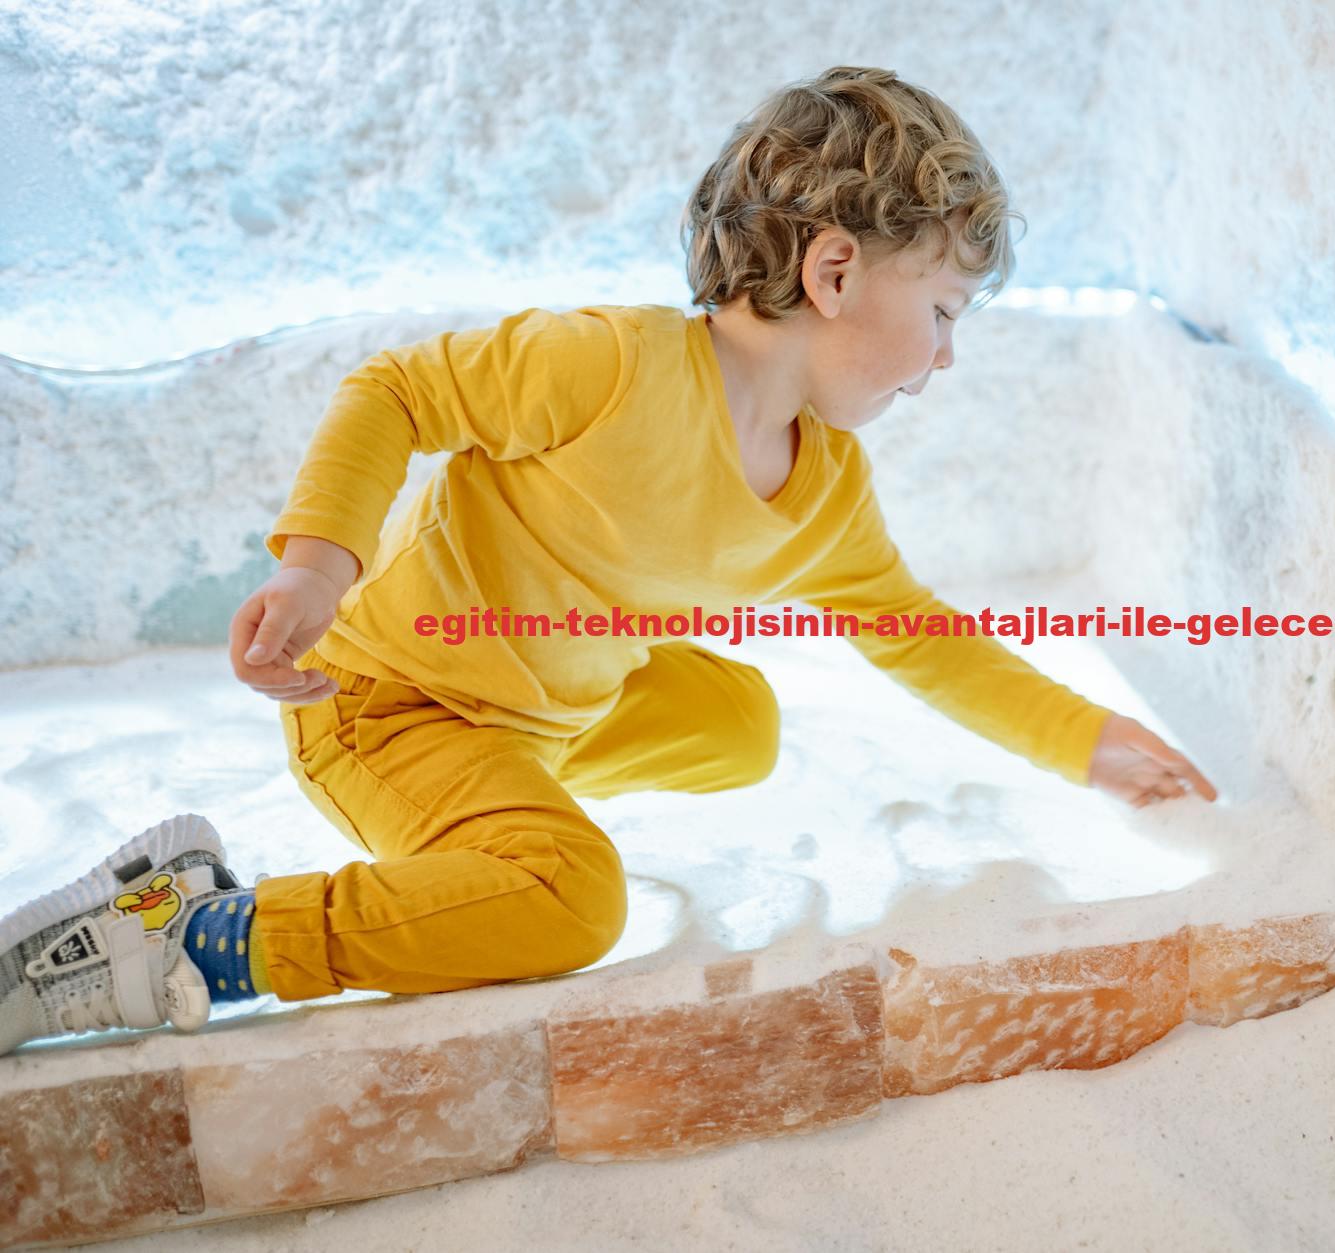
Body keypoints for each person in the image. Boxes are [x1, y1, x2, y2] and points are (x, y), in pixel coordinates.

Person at [1, 66, 1215, 1056]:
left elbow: (911, 632)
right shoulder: (612, 366)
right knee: (575, 897)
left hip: (537, 707)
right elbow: (397, 391)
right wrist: (319, 567)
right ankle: (195, 933)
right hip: (383, 699)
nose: (945, 356)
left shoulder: (828, 488)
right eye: (944, 311)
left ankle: (497, 803)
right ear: (834, 272)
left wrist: (1086, 738)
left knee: (738, 720)